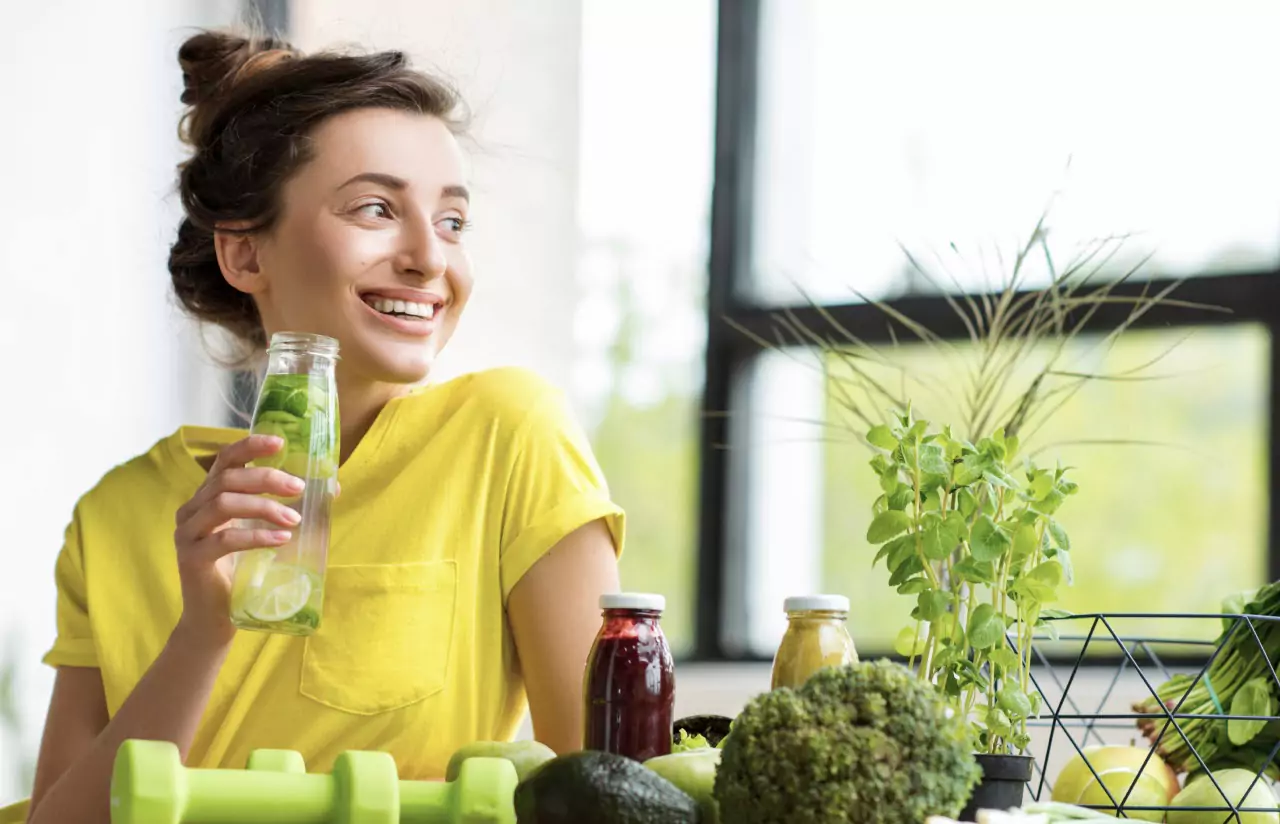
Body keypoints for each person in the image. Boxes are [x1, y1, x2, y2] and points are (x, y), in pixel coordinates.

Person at [15, 28, 624, 824]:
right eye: (375, 208)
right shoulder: (116, 517)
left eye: (451, 222)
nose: (427, 259)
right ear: (244, 256)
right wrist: (202, 633)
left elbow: (612, 797)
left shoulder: (509, 438)